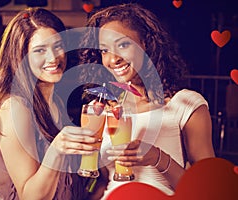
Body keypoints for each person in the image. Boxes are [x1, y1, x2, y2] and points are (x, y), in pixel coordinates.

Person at [78, 3, 215, 198]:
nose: (112, 59)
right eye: (104, 50)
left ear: (146, 43)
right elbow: (102, 183)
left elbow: (207, 189)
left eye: (123, 45)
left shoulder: (185, 105)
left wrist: (158, 158)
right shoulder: (100, 110)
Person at [0, 7, 100, 200]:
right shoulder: (15, 108)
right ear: (20, 57)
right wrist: (56, 150)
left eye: (57, 46)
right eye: (40, 50)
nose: (53, 57)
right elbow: (30, 196)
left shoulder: (55, 101)